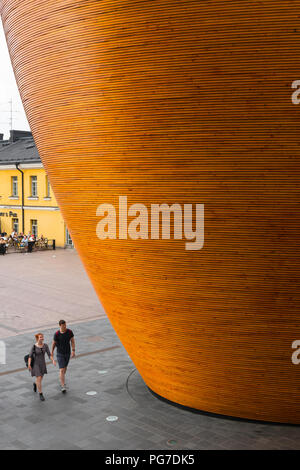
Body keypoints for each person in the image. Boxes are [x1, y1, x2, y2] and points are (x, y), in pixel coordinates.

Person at [28, 333, 54, 401]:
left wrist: (53, 360)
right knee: (39, 377)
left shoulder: (45, 346)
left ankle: (35, 384)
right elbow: (30, 356)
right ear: (37, 339)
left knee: (40, 379)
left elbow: (49, 354)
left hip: (42, 364)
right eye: (40, 337)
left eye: (42, 337)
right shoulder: (33, 346)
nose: (42, 338)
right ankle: (40, 394)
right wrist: (29, 364)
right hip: (36, 364)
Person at [51, 320, 75, 393]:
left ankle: (62, 378)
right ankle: (63, 385)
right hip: (60, 353)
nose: (64, 326)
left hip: (67, 353)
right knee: (61, 369)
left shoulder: (69, 332)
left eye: (65, 325)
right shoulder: (57, 334)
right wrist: (51, 352)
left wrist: (73, 350)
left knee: (65, 368)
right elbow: (54, 343)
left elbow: (72, 341)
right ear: (60, 326)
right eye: (63, 325)